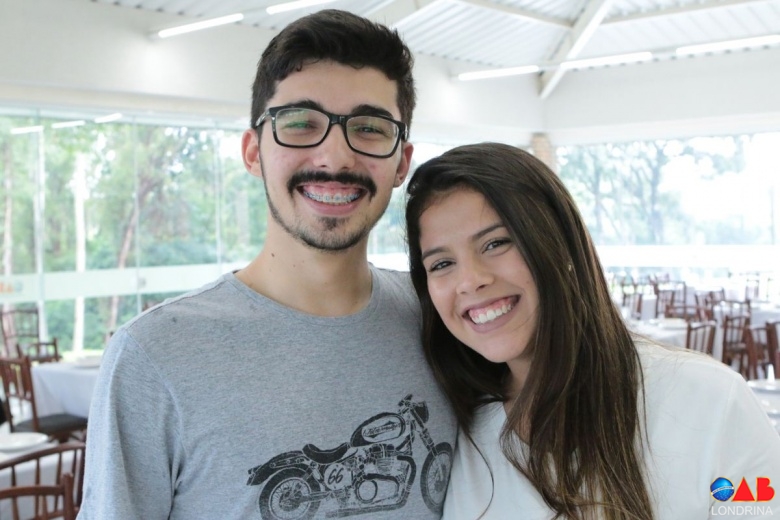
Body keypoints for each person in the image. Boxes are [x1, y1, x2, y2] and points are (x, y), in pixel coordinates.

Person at [78, 10, 456, 519]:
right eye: (300, 124)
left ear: (402, 162)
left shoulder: (442, 318)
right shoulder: (154, 356)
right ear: (254, 151)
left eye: (369, 128)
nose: (334, 157)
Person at [404, 142, 780, 519]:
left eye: (496, 243)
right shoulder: (463, 428)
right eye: (441, 264)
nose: (470, 280)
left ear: (561, 244)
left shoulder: (709, 402)